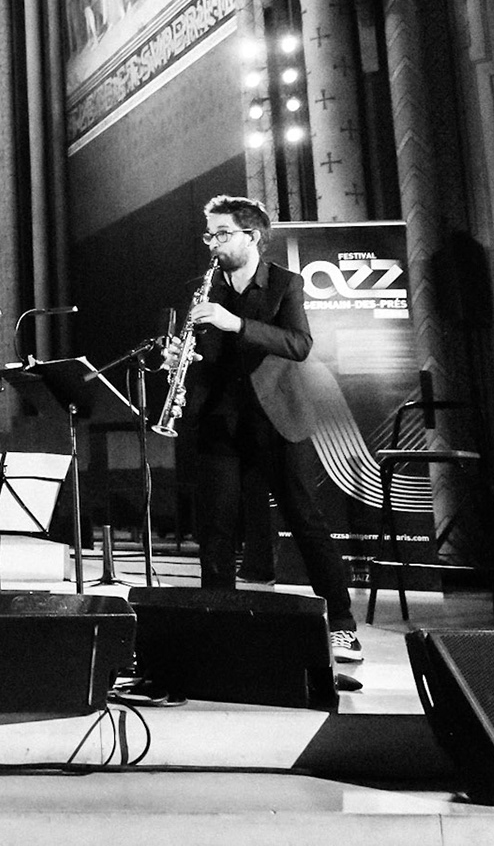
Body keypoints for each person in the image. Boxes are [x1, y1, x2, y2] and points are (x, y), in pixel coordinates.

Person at [173, 195, 362, 663]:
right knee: (215, 528)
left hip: (276, 419)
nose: (213, 243)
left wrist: (235, 322)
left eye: (221, 233)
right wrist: (180, 358)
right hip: (220, 419)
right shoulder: (206, 288)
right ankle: (217, 623)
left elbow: (298, 344)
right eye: (209, 234)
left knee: (304, 520)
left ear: (251, 235)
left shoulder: (285, 284)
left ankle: (341, 624)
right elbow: (206, 355)